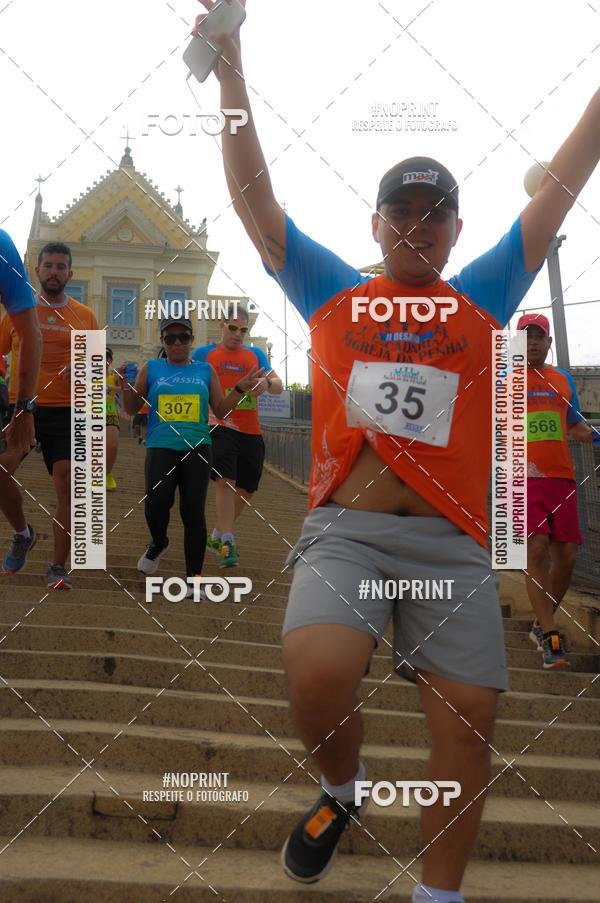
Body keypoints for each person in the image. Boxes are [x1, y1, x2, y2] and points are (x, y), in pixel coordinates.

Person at [196, 3, 600, 899]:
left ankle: (438, 893)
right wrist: (229, 69)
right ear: (376, 225)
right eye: (401, 211)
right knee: (317, 672)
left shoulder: (485, 295)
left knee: (468, 722)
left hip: (453, 544)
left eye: (437, 212)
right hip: (350, 532)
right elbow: (255, 201)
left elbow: (561, 187)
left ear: (458, 230)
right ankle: (342, 787)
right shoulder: (333, 292)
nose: (419, 223)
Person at [121, 316, 262, 594]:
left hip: (197, 446)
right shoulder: (152, 368)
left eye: (182, 337)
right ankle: (159, 542)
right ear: (162, 341)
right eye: (170, 338)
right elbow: (133, 406)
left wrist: (240, 389)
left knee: (193, 511)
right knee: (156, 503)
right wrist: (126, 386)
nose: (176, 343)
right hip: (161, 445)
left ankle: (193, 576)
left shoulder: (205, 370)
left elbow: (220, 410)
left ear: (191, 340)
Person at [0, 241, 98, 588]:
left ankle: (58, 565)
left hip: (68, 411)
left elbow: (98, 368)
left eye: (61, 267)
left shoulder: (85, 315)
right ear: (37, 271)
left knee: (68, 482)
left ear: (70, 274)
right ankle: (23, 533)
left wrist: (84, 369)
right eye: (48, 265)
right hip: (20, 408)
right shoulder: (16, 312)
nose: (54, 272)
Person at [518, 313, 597, 669]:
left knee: (565, 557)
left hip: (561, 478)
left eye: (539, 336)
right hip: (520, 478)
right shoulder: (503, 380)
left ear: (549, 343)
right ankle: (551, 638)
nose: (533, 342)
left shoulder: (562, 380)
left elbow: (575, 426)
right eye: (527, 336)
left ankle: (540, 622)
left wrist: (597, 435)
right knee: (536, 549)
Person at [193, 303, 283, 567]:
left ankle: (218, 534)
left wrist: (266, 382)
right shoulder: (205, 353)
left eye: (243, 329)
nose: (237, 333)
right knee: (225, 480)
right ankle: (228, 543)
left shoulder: (255, 355)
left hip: (250, 429)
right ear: (221, 326)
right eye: (232, 327)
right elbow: (185, 377)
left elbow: (277, 385)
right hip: (218, 423)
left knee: (247, 488)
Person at [0, 229, 43, 563]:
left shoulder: (1, 245)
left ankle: (22, 533)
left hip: (56, 406)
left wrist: (25, 407)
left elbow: (31, 333)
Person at [105, 347, 123, 491]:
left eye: (106, 357)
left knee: (112, 445)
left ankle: (106, 473)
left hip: (109, 412)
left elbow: (124, 388)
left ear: (110, 360)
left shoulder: (113, 375)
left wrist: (111, 387)